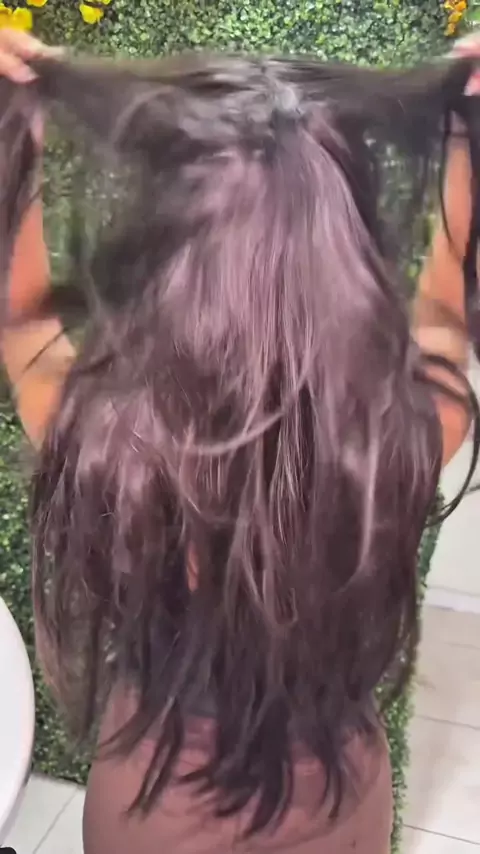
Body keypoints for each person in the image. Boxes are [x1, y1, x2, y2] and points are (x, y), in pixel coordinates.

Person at [0, 28, 478, 854]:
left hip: (150, 815)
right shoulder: (400, 442)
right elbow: (441, 319)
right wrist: (468, 138)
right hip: (340, 813)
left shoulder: (110, 449)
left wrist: (16, 129)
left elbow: (24, 323)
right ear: (353, 261)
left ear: (165, 268)